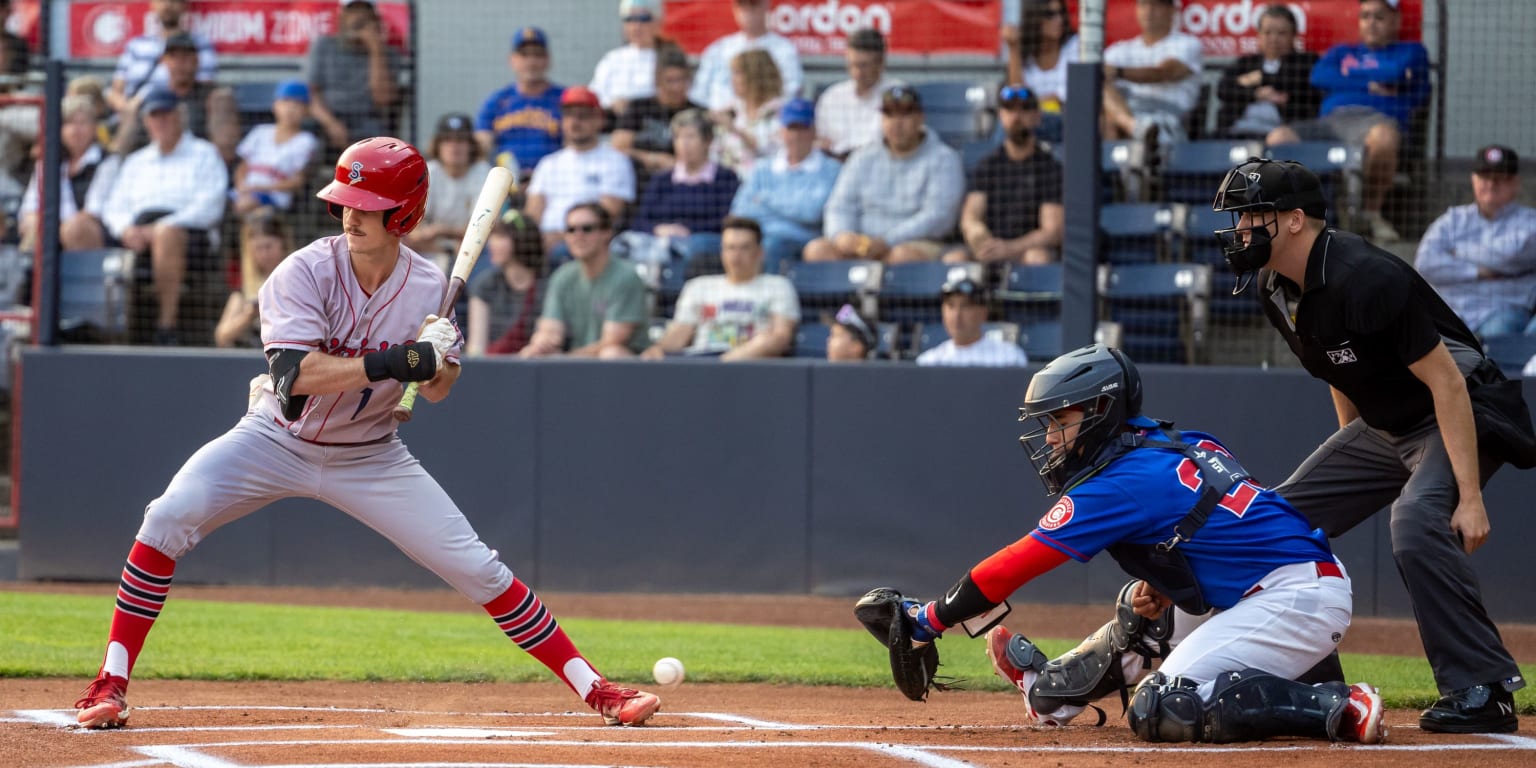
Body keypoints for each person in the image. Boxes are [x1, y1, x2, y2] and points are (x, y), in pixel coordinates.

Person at [69, 137, 661, 731]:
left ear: (402, 213)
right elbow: (296, 377)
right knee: (166, 517)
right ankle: (110, 683)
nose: (350, 213)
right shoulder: (301, 272)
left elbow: (438, 390)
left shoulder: (431, 288)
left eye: (366, 202)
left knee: (479, 569)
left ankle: (597, 689)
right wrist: (407, 360)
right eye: (346, 200)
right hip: (274, 438)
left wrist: (440, 358)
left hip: (371, 455)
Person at [891, 343, 1385, 746]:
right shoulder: (1178, 441)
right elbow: (1227, 530)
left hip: (1293, 598)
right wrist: (1170, 580)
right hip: (1287, 582)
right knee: (1145, 608)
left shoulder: (1117, 483)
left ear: (1101, 412)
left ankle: (1336, 705)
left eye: (1061, 420)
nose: (1051, 436)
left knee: (1163, 706)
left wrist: (927, 619)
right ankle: (1052, 692)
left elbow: (1014, 567)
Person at [1212, 157, 1534, 734]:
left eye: (1250, 216)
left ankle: (1483, 688)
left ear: (1292, 220)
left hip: (1459, 409)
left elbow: (1447, 382)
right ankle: (1315, 686)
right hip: (1389, 423)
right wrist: (1346, 455)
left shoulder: (1364, 276)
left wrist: (1469, 497)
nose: (1239, 230)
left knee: (1414, 522)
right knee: (1272, 520)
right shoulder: (1273, 286)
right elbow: (1341, 372)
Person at [1266, 0, 1429, 243]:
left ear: (1396, 21)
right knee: (1278, 139)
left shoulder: (1411, 51)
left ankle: (1370, 213)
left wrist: (1346, 76)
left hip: (1377, 122)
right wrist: (1370, 83)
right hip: (1332, 122)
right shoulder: (1343, 51)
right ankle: (1292, 217)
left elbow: (1396, 72)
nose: (1371, 23)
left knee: (1383, 138)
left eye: (1379, 17)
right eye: (1365, 16)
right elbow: (1319, 76)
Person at [98, 86, 228, 346]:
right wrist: (126, 230)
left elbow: (211, 206)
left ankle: (165, 327)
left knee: (166, 234)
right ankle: (106, 333)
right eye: (154, 116)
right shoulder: (136, 161)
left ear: (180, 115)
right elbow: (113, 206)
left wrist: (162, 227)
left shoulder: (205, 153)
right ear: (146, 121)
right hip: (139, 235)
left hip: (190, 235)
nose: (160, 121)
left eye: (165, 114)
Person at [804, 86, 964, 264]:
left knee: (901, 257)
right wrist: (842, 235)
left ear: (920, 118)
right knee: (817, 250)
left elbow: (938, 217)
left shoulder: (943, 158)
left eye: (904, 114)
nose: (896, 122)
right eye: (889, 115)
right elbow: (839, 205)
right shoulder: (863, 156)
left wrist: (887, 240)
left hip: (913, 243)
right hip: (862, 242)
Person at [1416, 145, 1536, 338]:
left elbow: (1508, 257)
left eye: (1499, 178)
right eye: (1484, 177)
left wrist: (1458, 252)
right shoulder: (1453, 219)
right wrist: (1478, 272)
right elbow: (1425, 262)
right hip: (1453, 312)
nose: (1491, 184)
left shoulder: (1530, 221)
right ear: (1473, 180)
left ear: (1515, 183)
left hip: (1503, 311)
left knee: (1499, 334)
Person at [641, 216, 797, 360]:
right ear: (722, 251)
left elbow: (780, 338)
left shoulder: (778, 286)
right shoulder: (698, 286)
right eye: (730, 248)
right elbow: (680, 333)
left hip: (752, 365)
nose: (736, 256)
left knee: (766, 340)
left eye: (744, 248)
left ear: (759, 252)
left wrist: (725, 363)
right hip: (701, 362)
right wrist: (657, 350)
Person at [945, 85, 1063, 265]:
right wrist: (981, 240)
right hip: (992, 249)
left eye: (1024, 109)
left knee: (1037, 257)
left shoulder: (1050, 167)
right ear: (1001, 116)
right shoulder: (988, 165)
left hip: (1025, 251)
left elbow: (1052, 231)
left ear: (1037, 117)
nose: (1016, 117)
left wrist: (1010, 248)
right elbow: (970, 217)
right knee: (955, 259)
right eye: (1010, 109)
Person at [519, 202, 648, 359]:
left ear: (606, 232)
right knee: (531, 351)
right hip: (576, 361)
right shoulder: (563, 275)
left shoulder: (625, 276)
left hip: (629, 370)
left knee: (611, 354)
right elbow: (551, 329)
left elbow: (611, 342)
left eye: (587, 229)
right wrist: (543, 342)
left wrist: (563, 359)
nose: (578, 236)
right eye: (571, 229)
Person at [730, 98, 842, 275]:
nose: (796, 136)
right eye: (791, 128)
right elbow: (740, 212)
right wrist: (792, 211)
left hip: (804, 241)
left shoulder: (831, 169)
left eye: (802, 128)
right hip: (758, 239)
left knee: (772, 246)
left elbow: (812, 212)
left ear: (814, 131)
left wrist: (764, 199)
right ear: (781, 131)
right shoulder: (762, 168)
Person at [524, 87, 636, 253]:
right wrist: (533, 239)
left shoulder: (616, 161)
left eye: (582, 116)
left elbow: (607, 214)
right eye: (569, 115)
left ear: (599, 120)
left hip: (586, 241)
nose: (574, 122)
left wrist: (563, 236)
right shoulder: (548, 163)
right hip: (543, 243)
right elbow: (532, 214)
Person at [622, 109, 739, 266]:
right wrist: (659, 229)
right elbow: (639, 221)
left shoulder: (725, 178)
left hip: (702, 246)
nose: (684, 144)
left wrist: (686, 231)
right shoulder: (661, 180)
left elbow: (727, 220)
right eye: (678, 137)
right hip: (659, 242)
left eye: (690, 137)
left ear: (708, 141)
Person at [110, 32, 238, 161]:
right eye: (174, 56)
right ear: (164, 61)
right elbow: (124, 151)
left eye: (186, 56)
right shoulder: (153, 98)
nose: (180, 63)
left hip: (200, 166)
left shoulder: (213, 96)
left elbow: (226, 153)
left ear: (196, 60)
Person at [20, 95, 119, 254]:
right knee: (33, 226)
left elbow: (94, 211)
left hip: (91, 234)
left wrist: (55, 230)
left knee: (75, 229)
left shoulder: (107, 161)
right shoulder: (47, 163)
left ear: (94, 127)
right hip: (51, 231)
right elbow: (30, 207)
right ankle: (27, 278)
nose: (76, 130)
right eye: (69, 123)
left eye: (83, 123)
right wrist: (34, 221)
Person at [1100, 0, 1203, 143]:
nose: (1148, 11)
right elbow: (1097, 77)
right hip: (1127, 121)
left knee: (1118, 122)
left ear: (1172, 10)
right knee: (1102, 104)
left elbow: (1164, 72)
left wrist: (1118, 72)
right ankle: (1134, 127)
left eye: (1156, 5)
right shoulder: (1120, 49)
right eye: (1143, 5)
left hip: (1168, 122)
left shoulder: (1187, 43)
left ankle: (1136, 130)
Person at [305, 0, 402, 151]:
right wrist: (331, 123)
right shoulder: (324, 45)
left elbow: (382, 99)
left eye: (364, 13)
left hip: (367, 118)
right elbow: (311, 94)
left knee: (377, 141)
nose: (358, 18)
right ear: (343, 17)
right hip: (328, 116)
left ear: (374, 19)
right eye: (353, 12)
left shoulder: (388, 53)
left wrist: (375, 50)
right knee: (307, 136)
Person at [405, 113, 497, 271]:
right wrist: (443, 246)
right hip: (429, 248)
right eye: (448, 140)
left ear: (471, 145)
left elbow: (480, 229)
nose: (454, 146)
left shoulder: (484, 173)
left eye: (461, 140)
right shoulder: (427, 171)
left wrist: (441, 230)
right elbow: (412, 227)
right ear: (438, 145)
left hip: (471, 250)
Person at [1214, 4, 1320, 139]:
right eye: (1267, 32)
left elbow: (1297, 85)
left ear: (1294, 36)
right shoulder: (1246, 63)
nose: (1274, 39)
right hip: (1238, 131)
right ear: (1259, 35)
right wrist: (1256, 94)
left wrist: (1256, 79)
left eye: (1281, 33)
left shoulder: (1306, 61)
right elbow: (1223, 89)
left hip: (1283, 135)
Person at [476, 26, 564, 176]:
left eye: (537, 55)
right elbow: (481, 145)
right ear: (512, 60)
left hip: (553, 180)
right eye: (524, 55)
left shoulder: (563, 99)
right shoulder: (497, 101)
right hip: (506, 183)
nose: (531, 62)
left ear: (548, 60)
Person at [104, 0, 216, 116]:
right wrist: (125, 106)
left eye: (173, 1)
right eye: (162, 1)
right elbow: (117, 87)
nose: (167, 6)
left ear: (184, 6)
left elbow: (200, 87)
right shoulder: (136, 45)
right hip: (129, 112)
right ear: (153, 4)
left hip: (170, 110)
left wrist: (142, 97)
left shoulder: (199, 44)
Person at [611, 45, 705, 182]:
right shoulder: (639, 108)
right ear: (657, 81)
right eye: (670, 81)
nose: (676, 87)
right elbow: (618, 147)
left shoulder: (698, 113)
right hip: (640, 179)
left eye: (682, 80)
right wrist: (653, 159)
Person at [690, 0, 802, 112]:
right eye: (742, 5)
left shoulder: (784, 49)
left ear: (766, 5)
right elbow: (699, 95)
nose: (747, 11)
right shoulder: (718, 48)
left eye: (753, 4)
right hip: (717, 122)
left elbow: (791, 93)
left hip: (765, 122)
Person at [230, 80, 320, 215]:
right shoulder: (260, 131)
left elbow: (297, 181)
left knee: (246, 205)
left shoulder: (306, 141)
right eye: (285, 102)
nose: (290, 109)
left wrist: (261, 188)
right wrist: (241, 185)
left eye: (297, 104)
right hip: (246, 191)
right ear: (275, 105)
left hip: (276, 196)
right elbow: (243, 167)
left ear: (306, 110)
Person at [814, 28, 902, 160]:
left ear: (881, 63)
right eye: (852, 65)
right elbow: (820, 142)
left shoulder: (897, 94)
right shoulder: (831, 97)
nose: (857, 73)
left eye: (864, 66)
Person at [467, 209, 545, 356]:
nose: (492, 244)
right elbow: (476, 346)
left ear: (522, 240)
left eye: (501, 237)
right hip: (494, 366)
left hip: (535, 363)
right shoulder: (484, 284)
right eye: (493, 237)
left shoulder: (546, 285)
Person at [213, 211, 292, 349]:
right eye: (258, 248)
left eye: (268, 246)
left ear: (283, 244)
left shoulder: (298, 280)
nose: (264, 254)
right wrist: (249, 316)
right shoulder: (244, 291)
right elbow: (221, 337)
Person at [915, 276, 1029, 367]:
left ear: (983, 313)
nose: (957, 315)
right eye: (951, 306)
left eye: (965, 306)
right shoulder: (929, 362)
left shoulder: (1009, 357)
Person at [1005, 0, 1078, 141]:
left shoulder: (1075, 46)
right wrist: (1013, 48)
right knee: (1009, 122)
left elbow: (1068, 98)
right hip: (1033, 121)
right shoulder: (1025, 56)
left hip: (1068, 120)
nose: (1059, 20)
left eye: (1061, 13)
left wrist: (1034, 103)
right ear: (1035, 17)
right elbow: (1017, 96)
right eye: (1050, 15)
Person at [714, 49, 785, 175]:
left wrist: (735, 129)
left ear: (755, 76)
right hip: (727, 184)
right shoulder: (730, 110)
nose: (732, 79)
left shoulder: (780, 111)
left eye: (738, 73)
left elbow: (771, 150)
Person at [590, 0, 665, 115]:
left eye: (644, 19)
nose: (637, 26)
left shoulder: (667, 57)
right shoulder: (612, 59)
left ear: (657, 22)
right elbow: (595, 94)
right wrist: (611, 103)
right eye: (630, 19)